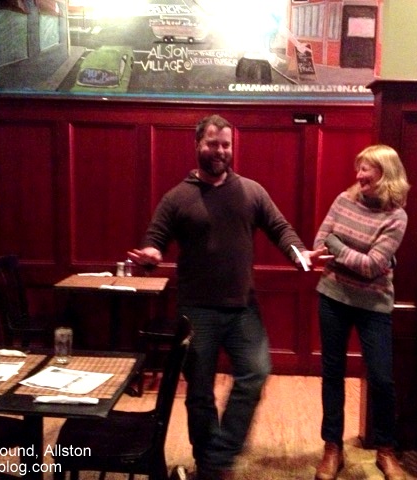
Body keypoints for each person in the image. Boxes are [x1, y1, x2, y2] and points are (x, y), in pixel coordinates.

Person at [128, 114, 325, 480]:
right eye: (212, 144)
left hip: (242, 308)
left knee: (256, 373)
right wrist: (151, 255)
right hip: (196, 311)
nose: (220, 151)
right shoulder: (177, 197)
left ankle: (218, 458)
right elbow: (155, 239)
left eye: (226, 144)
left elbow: (280, 228)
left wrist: (300, 255)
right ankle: (210, 468)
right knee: (199, 393)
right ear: (197, 145)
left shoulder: (251, 191)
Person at [313, 144, 410, 480]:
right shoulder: (344, 200)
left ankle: (386, 450)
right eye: (359, 168)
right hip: (333, 297)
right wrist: (358, 255)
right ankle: (332, 447)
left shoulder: (396, 216)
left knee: (381, 378)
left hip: (374, 305)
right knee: (332, 373)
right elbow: (320, 241)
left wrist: (338, 246)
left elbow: (371, 267)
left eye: (367, 169)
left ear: (386, 173)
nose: (359, 175)